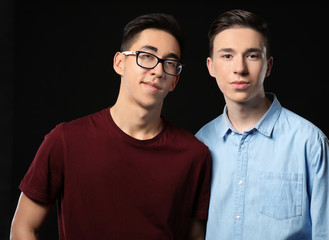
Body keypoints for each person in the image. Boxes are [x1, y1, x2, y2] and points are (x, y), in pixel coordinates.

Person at [11, 13, 211, 240]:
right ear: (119, 63)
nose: (158, 70)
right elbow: (23, 228)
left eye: (170, 63)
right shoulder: (66, 140)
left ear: (174, 80)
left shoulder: (194, 155)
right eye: (146, 56)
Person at [196, 9, 329, 239]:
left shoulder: (309, 143)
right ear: (211, 66)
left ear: (268, 66)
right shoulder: (201, 144)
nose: (239, 68)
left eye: (252, 55)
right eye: (227, 56)